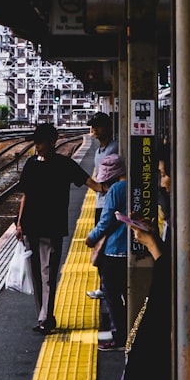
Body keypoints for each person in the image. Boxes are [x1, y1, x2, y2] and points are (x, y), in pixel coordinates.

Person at [113, 154, 174, 380]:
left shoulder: (187, 216)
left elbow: (173, 271)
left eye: (166, 175)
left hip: (164, 324)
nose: (162, 182)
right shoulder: (179, 212)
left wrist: (151, 244)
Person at [15, 122, 103, 334]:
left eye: (41, 142)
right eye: (36, 142)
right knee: (36, 274)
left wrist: (113, 188)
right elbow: (24, 195)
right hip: (31, 228)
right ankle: (43, 315)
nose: (38, 146)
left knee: (48, 274)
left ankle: (46, 317)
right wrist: (19, 224)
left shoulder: (64, 164)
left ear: (52, 142)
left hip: (52, 229)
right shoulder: (30, 165)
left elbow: (91, 183)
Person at [84, 153, 128, 351]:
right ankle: (130, 333)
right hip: (134, 249)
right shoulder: (135, 185)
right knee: (129, 294)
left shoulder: (116, 190)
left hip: (115, 251)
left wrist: (91, 237)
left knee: (112, 296)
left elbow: (106, 220)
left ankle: (119, 336)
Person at [87, 112, 118, 300]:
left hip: (111, 203)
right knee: (100, 246)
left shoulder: (115, 148)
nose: (95, 129)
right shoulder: (99, 150)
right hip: (100, 203)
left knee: (107, 245)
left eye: (99, 126)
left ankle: (107, 287)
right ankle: (104, 286)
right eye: (93, 126)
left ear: (108, 127)